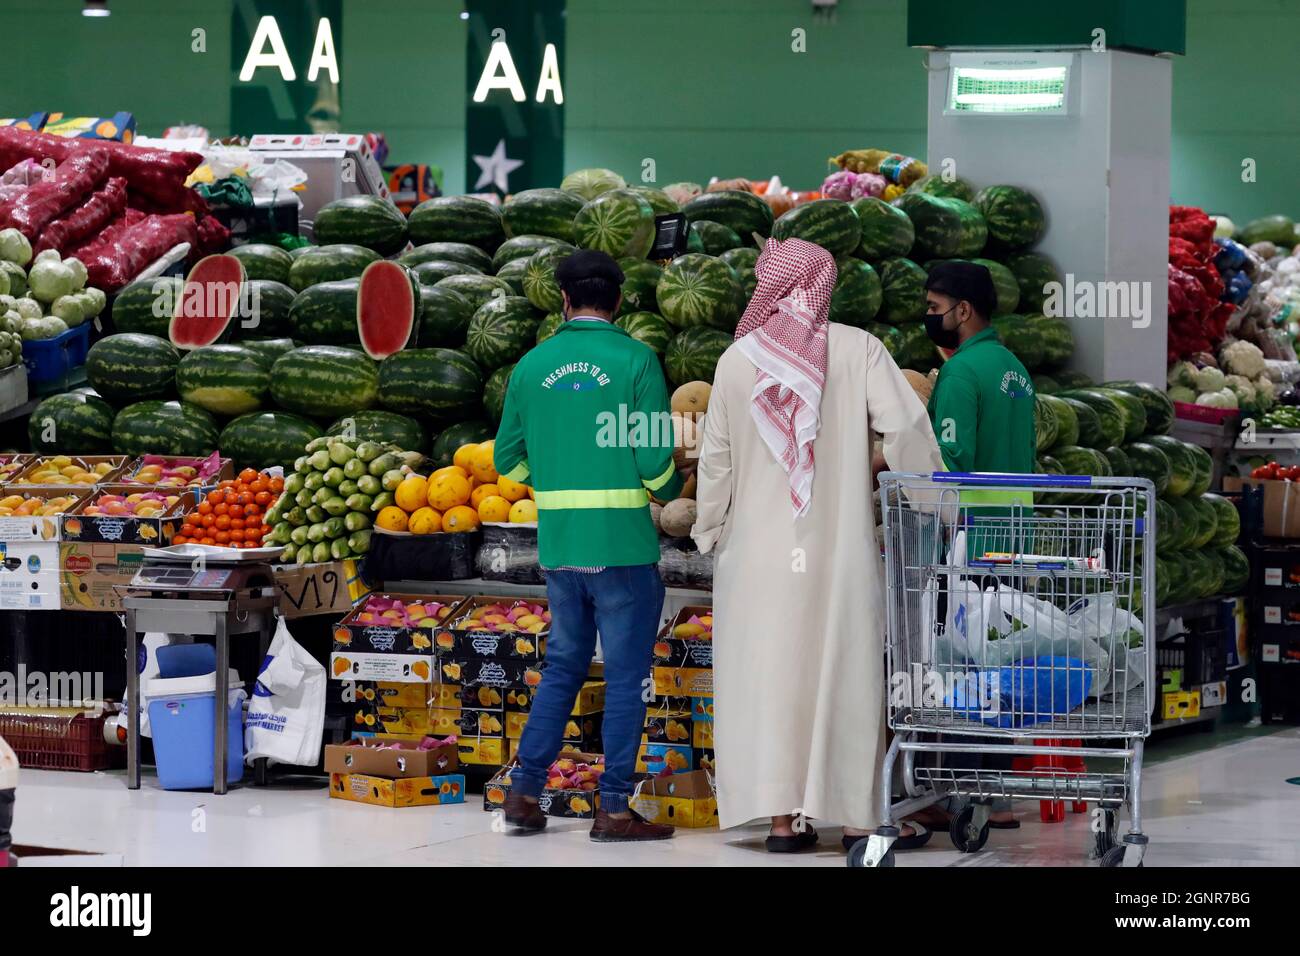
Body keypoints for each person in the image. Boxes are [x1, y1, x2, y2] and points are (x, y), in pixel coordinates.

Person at [691, 237, 946, 853]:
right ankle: (857, 821)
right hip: (836, 552)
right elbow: (908, 427)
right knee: (845, 674)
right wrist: (935, 502)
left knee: (769, 679)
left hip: (754, 556)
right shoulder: (858, 349)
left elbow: (716, 462)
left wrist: (708, 530)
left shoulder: (736, 360)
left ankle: (782, 822)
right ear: (823, 285)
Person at [493, 249, 691, 843]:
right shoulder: (636, 359)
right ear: (620, 299)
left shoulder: (531, 365)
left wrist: (559, 476)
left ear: (563, 299)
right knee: (626, 678)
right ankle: (613, 810)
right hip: (623, 550)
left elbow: (508, 459)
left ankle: (524, 794)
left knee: (563, 669)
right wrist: (668, 493)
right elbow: (656, 463)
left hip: (559, 549)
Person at [917, 260, 1038, 832]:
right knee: (1002, 660)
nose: (928, 318)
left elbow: (950, 464)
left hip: (970, 541)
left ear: (963, 311)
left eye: (933, 307)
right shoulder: (1013, 367)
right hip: (1016, 536)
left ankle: (964, 789)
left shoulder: (961, 374)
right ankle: (996, 790)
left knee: (965, 666)